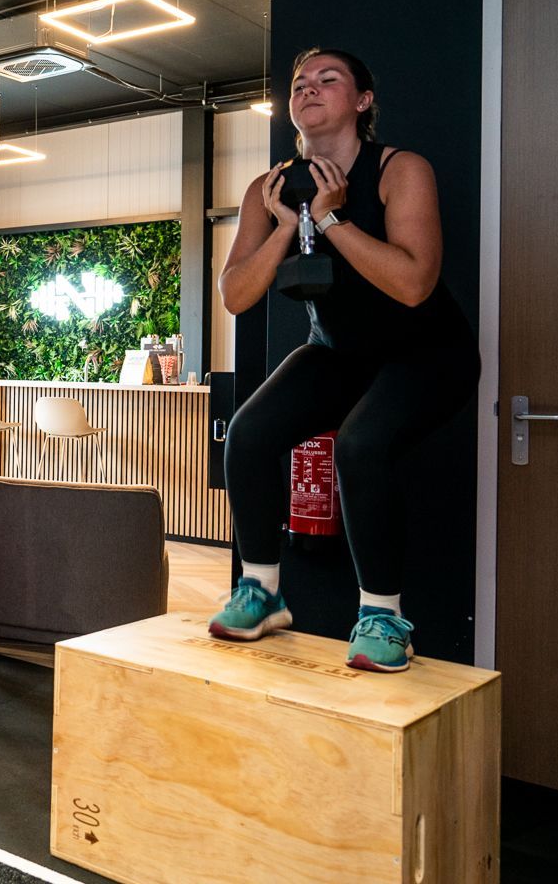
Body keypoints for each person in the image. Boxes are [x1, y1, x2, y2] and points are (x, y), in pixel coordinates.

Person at [213, 48, 479, 672]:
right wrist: (285, 225)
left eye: (328, 80)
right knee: (248, 433)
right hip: (341, 351)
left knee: (358, 445)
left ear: (362, 102)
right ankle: (262, 592)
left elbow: (414, 284)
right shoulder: (269, 188)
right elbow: (235, 295)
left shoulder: (399, 170)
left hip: (428, 350)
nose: (308, 89)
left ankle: (383, 617)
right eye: (299, 83)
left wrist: (330, 219)